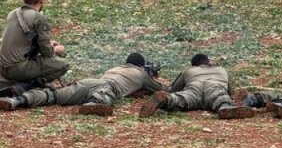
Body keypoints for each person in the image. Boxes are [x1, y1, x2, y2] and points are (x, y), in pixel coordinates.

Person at [0, 52, 165, 116]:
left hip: (89, 81)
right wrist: (153, 79)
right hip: (108, 86)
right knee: (104, 95)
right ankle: (92, 104)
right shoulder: (141, 73)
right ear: (141, 66)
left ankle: (16, 101)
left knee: (54, 95)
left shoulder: (114, 68)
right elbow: (161, 89)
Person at [138, 54, 253, 120]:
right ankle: (224, 108)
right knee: (221, 99)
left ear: (194, 65)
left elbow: (174, 89)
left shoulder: (189, 70)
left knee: (180, 99)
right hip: (215, 87)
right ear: (208, 62)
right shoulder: (222, 70)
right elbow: (230, 91)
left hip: (194, 88)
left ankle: (165, 99)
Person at [0, 0, 69, 95]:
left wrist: (48, 44)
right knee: (63, 65)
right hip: (18, 69)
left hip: (2, 68)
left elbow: (23, 42)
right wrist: (56, 49)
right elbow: (47, 52)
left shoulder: (12, 13)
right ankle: (26, 86)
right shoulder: (38, 17)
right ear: (41, 0)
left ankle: (15, 83)